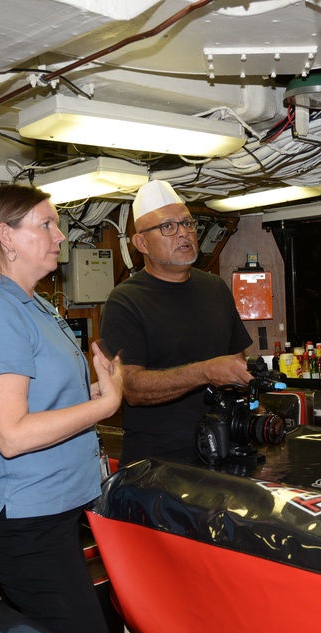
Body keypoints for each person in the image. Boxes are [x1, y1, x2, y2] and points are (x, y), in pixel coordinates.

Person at [0, 184, 121, 633]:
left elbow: (43, 400)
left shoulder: (34, 304)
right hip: (22, 518)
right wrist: (106, 407)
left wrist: (94, 393)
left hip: (50, 506)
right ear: (7, 236)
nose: (60, 236)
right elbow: (12, 434)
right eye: (45, 224)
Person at [99, 179, 253, 466]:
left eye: (188, 224)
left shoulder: (216, 288)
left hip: (223, 454)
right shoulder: (125, 301)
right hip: (158, 464)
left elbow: (237, 366)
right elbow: (131, 388)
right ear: (141, 242)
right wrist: (206, 371)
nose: (183, 233)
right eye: (167, 227)